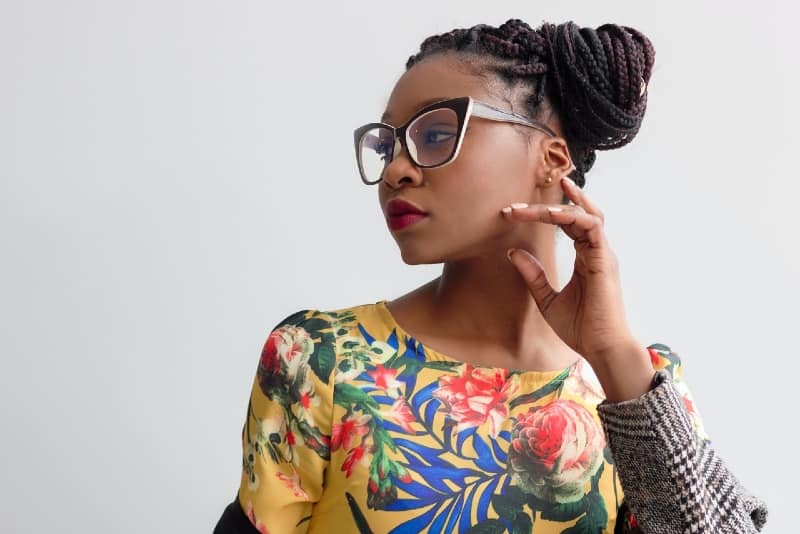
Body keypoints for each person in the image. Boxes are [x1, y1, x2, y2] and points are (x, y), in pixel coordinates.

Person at [214, 19, 768, 533]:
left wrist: (613, 355)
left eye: (434, 134)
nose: (395, 170)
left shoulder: (637, 386)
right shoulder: (321, 360)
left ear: (552, 159)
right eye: (388, 145)